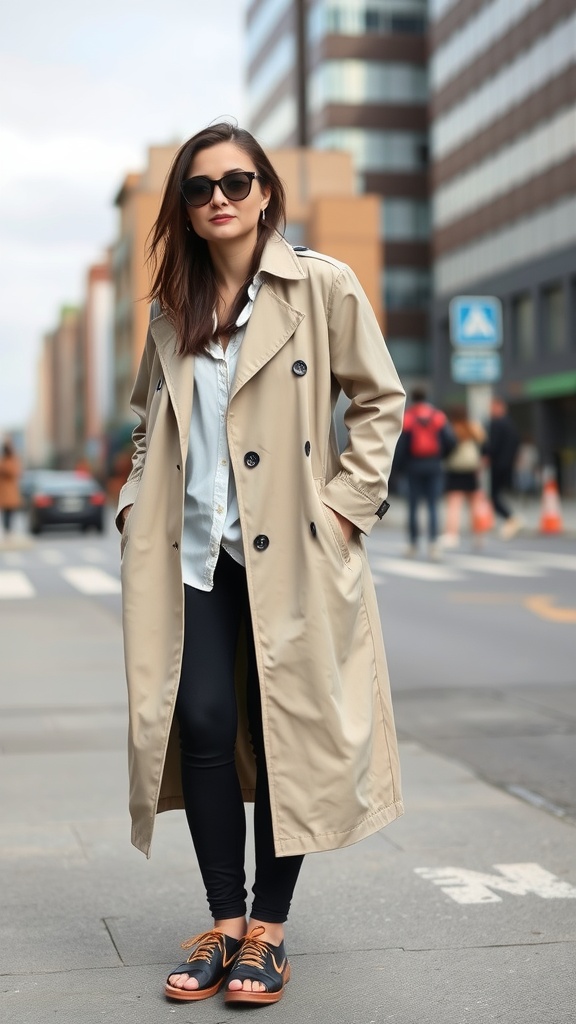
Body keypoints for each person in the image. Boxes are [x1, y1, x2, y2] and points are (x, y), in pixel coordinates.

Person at [116, 122, 406, 1006]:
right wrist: (135, 498)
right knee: (200, 723)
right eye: (201, 189)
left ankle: (269, 933)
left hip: (297, 553)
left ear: (267, 192)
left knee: (290, 732)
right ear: (185, 208)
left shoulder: (321, 285)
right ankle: (225, 921)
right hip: (193, 553)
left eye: (237, 182)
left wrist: (346, 508)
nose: (220, 200)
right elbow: (145, 418)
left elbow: (379, 398)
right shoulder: (173, 308)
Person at [395, 388, 455, 560]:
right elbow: (451, 441)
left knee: (413, 506)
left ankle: (413, 544)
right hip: (434, 465)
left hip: (414, 466)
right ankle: (434, 544)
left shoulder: (409, 417)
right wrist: (440, 457)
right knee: (433, 506)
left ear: (413, 399)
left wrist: (398, 469)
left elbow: (401, 447)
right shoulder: (437, 416)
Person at [440, 405, 486, 548]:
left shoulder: (451, 429)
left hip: (455, 469)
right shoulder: (474, 427)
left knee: (454, 504)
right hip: (471, 469)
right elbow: (485, 446)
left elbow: (445, 448)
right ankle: (478, 536)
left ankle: (452, 535)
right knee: (474, 505)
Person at [484, 397, 522, 538]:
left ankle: (510, 518)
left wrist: (486, 456)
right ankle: (509, 519)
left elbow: (491, 446)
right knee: (495, 494)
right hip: (507, 464)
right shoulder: (510, 424)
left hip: (498, 465)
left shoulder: (497, 424)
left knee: (493, 495)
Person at [0, 439, 22, 537]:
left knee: (10, 513)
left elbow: (15, 472)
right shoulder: (4, 460)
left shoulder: (13, 461)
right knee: (5, 514)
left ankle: (9, 531)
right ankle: (7, 531)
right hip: (4, 492)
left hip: (10, 492)